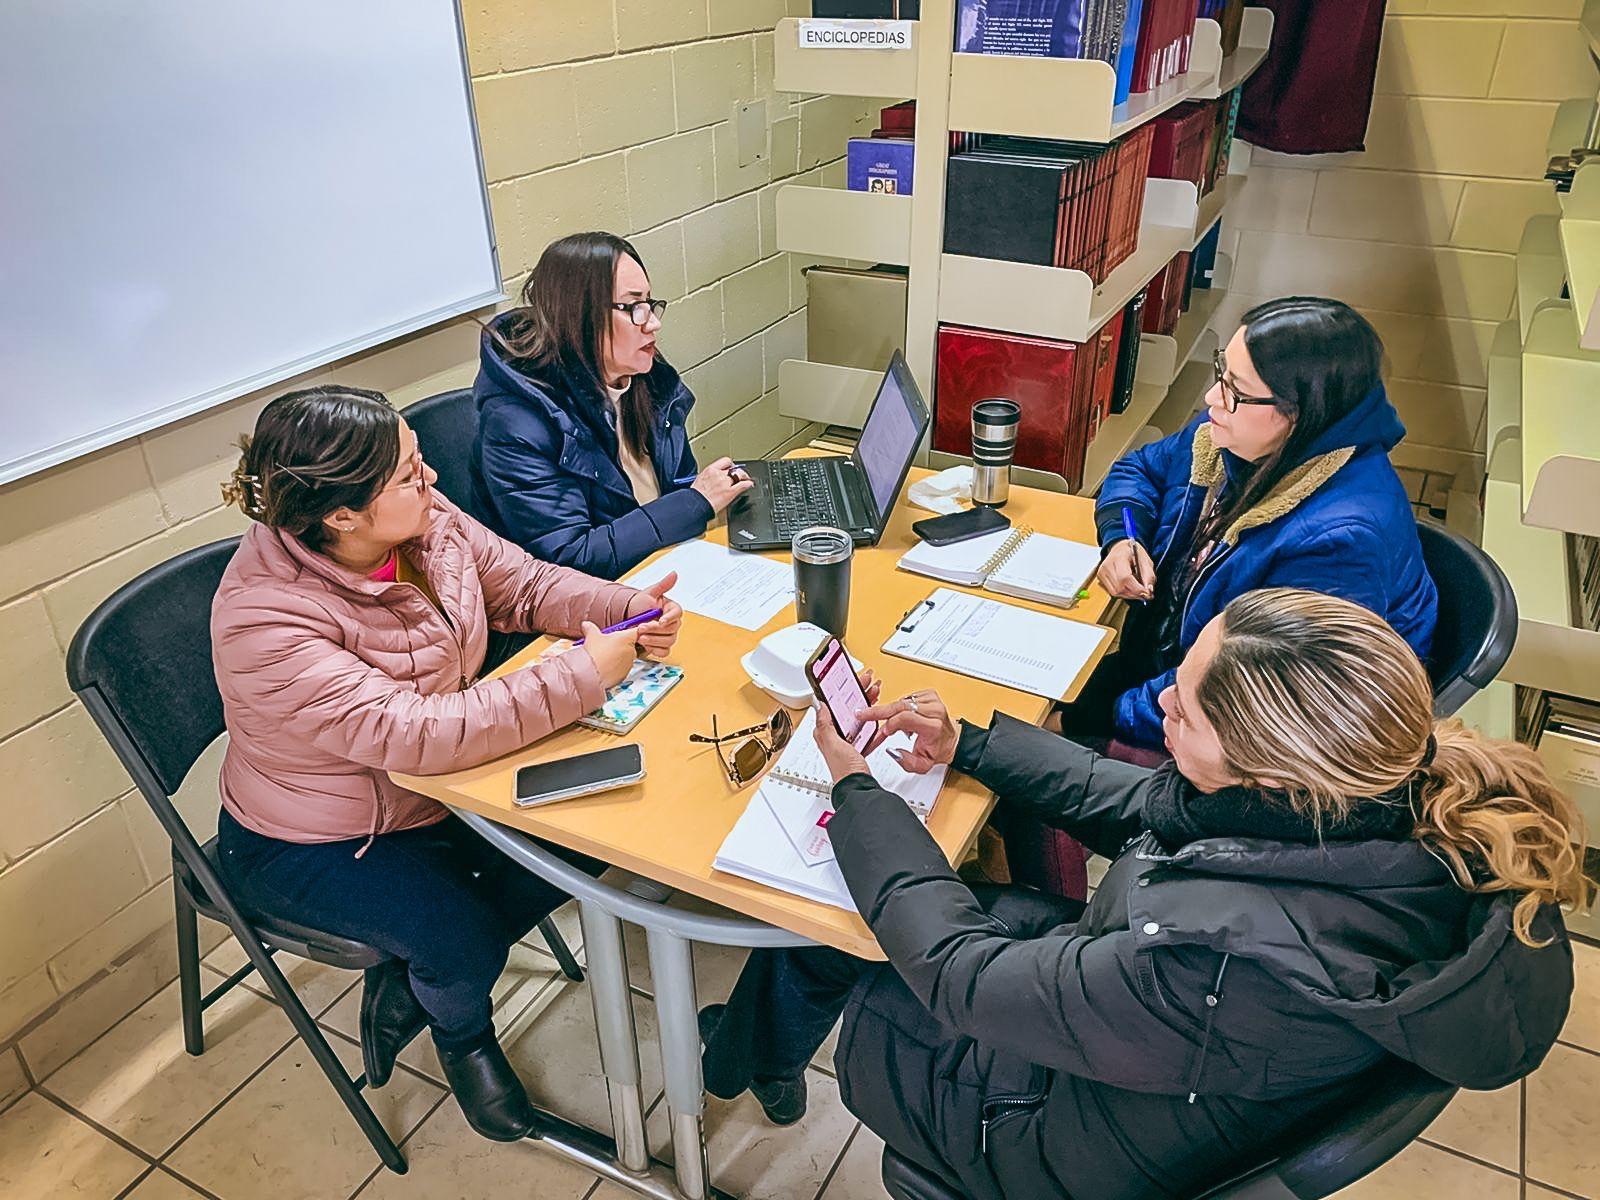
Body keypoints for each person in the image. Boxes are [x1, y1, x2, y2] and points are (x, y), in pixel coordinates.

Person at [699, 589, 1591, 1200]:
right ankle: (743, 1057)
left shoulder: (1224, 967)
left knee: (857, 930)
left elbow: (958, 975)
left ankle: (738, 1065)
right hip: (1154, 1059)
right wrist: (967, 744)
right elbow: (1144, 804)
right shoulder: (1372, 801)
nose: (1162, 697)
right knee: (904, 895)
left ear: (1269, 766)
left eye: (1188, 709)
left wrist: (856, 793)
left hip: (1047, 1140)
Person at [212, 385, 683, 1142]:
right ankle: (461, 1035)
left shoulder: (421, 523)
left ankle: (408, 981)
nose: (430, 478)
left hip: (432, 790)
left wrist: (620, 608)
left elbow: (524, 584)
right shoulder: (265, 619)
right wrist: (586, 673)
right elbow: (421, 731)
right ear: (339, 515)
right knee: (462, 936)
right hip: (318, 837)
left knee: (586, 841)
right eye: (406, 473)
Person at [1087, 296, 1438, 752]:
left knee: (1028, 766)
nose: (1213, 397)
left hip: (1233, 731)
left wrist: (1095, 718)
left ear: (1299, 411)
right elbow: (1139, 472)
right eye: (1221, 375)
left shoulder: (1340, 544)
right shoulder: (1237, 434)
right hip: (1170, 670)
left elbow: (1244, 696)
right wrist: (1124, 538)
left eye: (1235, 388)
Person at [471, 231, 754, 579]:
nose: (653, 322)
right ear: (579, 316)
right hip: (591, 608)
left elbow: (679, 485)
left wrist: (713, 497)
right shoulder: (516, 423)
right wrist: (696, 503)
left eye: (650, 303)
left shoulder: (645, 377)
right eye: (634, 307)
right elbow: (572, 558)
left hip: (660, 569)